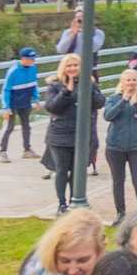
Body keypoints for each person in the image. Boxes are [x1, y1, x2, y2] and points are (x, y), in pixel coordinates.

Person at [41, 54, 105, 214]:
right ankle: (62, 204)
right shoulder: (54, 85)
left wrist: (89, 88)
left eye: (76, 65)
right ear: (63, 68)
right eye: (69, 66)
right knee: (62, 170)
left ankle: (74, 201)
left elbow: (100, 103)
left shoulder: (89, 83)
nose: (72, 69)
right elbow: (52, 107)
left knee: (78, 171)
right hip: (60, 135)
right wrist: (67, 91)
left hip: (82, 135)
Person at [102, 69, 137, 225]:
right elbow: (108, 116)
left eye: (134, 80)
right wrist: (124, 100)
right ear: (122, 82)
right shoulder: (113, 98)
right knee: (118, 180)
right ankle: (120, 213)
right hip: (115, 147)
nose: (131, 83)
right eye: (128, 80)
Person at [0, 47, 40, 163]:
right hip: (13, 103)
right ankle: (2, 152)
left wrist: (36, 99)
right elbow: (5, 90)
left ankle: (27, 150)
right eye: (30, 59)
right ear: (23, 59)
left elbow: (34, 84)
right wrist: (6, 107)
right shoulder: (13, 71)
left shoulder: (33, 69)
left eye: (33, 59)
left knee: (26, 126)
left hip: (25, 102)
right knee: (9, 127)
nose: (33, 61)